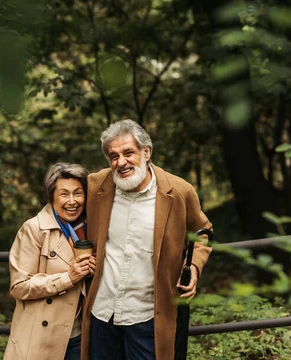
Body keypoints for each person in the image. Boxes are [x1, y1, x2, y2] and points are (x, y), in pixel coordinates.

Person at [80, 119, 213, 360]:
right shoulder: (95, 185)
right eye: (113, 156)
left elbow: (203, 232)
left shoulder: (179, 192)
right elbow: (62, 203)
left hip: (148, 316)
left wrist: (193, 266)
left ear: (146, 152)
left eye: (128, 152)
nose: (121, 162)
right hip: (102, 313)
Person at [4, 163, 97, 360]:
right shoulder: (34, 229)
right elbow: (19, 286)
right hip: (41, 336)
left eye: (78, 193)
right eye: (64, 194)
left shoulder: (92, 228)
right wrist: (68, 277)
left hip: (80, 335)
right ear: (51, 195)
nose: (72, 201)